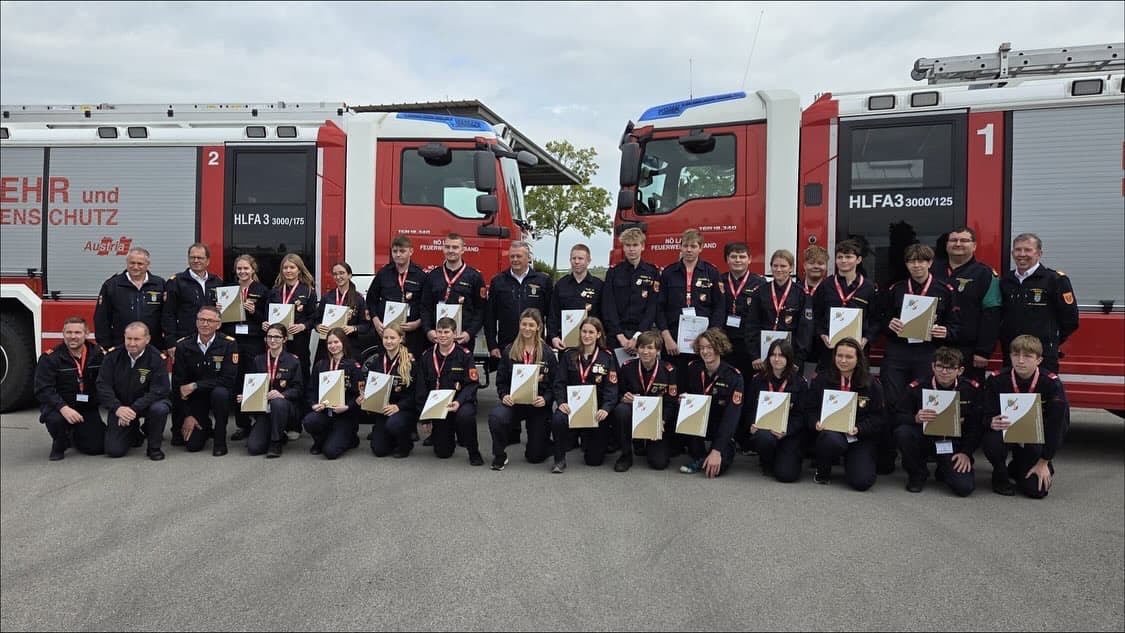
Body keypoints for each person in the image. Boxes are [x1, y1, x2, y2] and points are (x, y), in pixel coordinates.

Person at [877, 243, 959, 474]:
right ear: (907, 264)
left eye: (922, 261)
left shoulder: (945, 290)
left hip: (927, 352)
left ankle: (922, 455)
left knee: (925, 402)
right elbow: (880, 319)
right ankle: (889, 453)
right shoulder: (896, 289)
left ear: (930, 263)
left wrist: (946, 331)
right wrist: (888, 324)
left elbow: (956, 325)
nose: (917, 265)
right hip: (897, 353)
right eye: (912, 261)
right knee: (891, 401)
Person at [980, 335, 1070, 498]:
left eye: (1027, 356)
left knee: (1036, 491)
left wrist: (1044, 461)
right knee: (991, 441)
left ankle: (1019, 466)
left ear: (1039, 360)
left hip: (1035, 437)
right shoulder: (996, 380)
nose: (1020, 361)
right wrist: (990, 422)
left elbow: (1057, 426)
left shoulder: (1051, 383)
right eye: (1016, 355)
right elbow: (984, 413)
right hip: (1005, 433)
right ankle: (1000, 473)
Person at [485, 241, 553, 446]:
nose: (515, 260)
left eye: (519, 256)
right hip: (509, 344)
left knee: (538, 387)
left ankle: (537, 427)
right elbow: (490, 316)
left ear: (528, 257)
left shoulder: (542, 280)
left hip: (535, 346)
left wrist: (548, 344)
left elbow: (551, 314)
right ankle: (512, 430)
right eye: (512, 256)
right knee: (510, 385)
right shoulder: (498, 281)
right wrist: (492, 345)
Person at [894, 347, 984, 496]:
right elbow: (896, 416)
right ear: (933, 367)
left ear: (960, 370)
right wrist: (915, 418)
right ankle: (917, 473)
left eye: (950, 368)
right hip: (924, 438)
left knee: (964, 488)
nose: (944, 372)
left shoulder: (970, 389)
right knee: (903, 433)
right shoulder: (918, 387)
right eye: (940, 366)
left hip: (952, 442)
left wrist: (966, 452)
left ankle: (944, 468)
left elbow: (976, 426)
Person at [806, 338, 886, 490]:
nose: (843, 360)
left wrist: (859, 429)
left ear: (858, 359)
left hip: (858, 436)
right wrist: (815, 422)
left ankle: (854, 462)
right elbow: (809, 409)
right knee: (830, 439)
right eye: (839, 355)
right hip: (831, 434)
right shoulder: (821, 380)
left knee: (862, 483)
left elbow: (879, 418)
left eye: (849, 357)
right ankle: (823, 471)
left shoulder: (871, 384)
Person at [487, 308, 558, 470]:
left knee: (535, 457)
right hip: (515, 404)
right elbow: (501, 381)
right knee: (497, 416)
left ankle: (544, 442)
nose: (527, 328)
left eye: (531, 325)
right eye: (524, 324)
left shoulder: (547, 353)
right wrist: (504, 395)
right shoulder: (509, 351)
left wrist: (545, 399)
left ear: (538, 327)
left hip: (537, 405)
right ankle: (499, 455)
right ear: (519, 325)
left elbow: (556, 384)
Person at [999, 233, 1079, 374]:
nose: (1022, 254)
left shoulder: (1055, 280)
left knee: (1043, 394)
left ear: (1039, 253)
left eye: (1028, 250)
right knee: (1012, 395)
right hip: (1013, 354)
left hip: (1042, 356)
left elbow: (1070, 320)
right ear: (1012, 253)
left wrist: (1051, 342)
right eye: (1018, 250)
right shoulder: (1006, 280)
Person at [550, 317, 619, 473]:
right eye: (584, 332)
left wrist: (606, 409)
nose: (587, 335)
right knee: (558, 418)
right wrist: (561, 402)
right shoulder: (569, 355)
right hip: (571, 408)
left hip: (596, 412)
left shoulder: (607, 357)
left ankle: (590, 440)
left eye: (591, 332)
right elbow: (559, 383)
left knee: (593, 461)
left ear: (598, 334)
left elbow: (611, 387)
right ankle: (559, 460)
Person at [656, 229, 727, 380]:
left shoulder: (711, 272)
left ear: (701, 248)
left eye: (693, 246)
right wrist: (667, 337)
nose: (689, 250)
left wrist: (710, 339)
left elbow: (719, 307)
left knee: (698, 382)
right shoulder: (668, 273)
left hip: (703, 341)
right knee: (673, 383)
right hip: (673, 342)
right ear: (680, 247)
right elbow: (659, 307)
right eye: (685, 245)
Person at [933, 226, 1001, 381]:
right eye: (953, 240)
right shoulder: (932, 270)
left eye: (964, 240)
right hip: (933, 348)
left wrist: (983, 351)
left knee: (968, 397)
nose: (958, 244)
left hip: (968, 351)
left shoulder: (985, 274)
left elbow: (992, 315)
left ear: (974, 246)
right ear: (946, 245)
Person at [96, 322, 172, 461]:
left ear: (147, 339)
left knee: (160, 408)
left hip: (146, 405)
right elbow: (103, 386)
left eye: (136, 339)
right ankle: (134, 431)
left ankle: (154, 448)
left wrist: (134, 409)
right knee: (114, 450)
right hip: (121, 406)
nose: (131, 343)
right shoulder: (113, 356)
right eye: (128, 338)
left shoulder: (156, 358)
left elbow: (160, 389)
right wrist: (117, 408)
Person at [34, 317, 105, 461]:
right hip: (60, 406)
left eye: (78, 332)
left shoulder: (98, 355)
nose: (73, 336)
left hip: (87, 406)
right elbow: (43, 389)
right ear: (63, 333)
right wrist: (63, 407)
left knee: (97, 448)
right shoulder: (50, 358)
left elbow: (107, 382)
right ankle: (60, 442)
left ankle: (75, 434)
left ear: (86, 334)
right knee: (55, 419)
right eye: (69, 332)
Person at [170, 306, 238, 455]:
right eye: (201, 320)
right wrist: (188, 415)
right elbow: (178, 384)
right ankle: (204, 426)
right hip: (195, 399)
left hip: (216, 393)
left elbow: (228, 380)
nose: (205, 324)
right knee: (192, 446)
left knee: (221, 394)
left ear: (218, 324)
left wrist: (196, 385)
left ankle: (220, 440)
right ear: (196, 322)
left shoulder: (228, 344)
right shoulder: (183, 345)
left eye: (210, 320)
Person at [677, 328, 744, 478]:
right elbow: (681, 395)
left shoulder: (734, 377)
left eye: (710, 347)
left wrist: (717, 450)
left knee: (717, 469)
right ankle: (699, 455)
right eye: (702, 348)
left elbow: (731, 417)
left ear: (719, 347)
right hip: (697, 422)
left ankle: (723, 448)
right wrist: (682, 399)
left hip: (721, 425)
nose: (705, 352)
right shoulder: (693, 369)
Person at [609, 330, 678, 472]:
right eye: (642, 347)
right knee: (621, 410)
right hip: (634, 413)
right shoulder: (627, 367)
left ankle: (646, 444)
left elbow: (671, 402)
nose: (645, 352)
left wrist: (663, 420)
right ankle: (626, 454)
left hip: (657, 419)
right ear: (637, 349)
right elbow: (618, 393)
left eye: (650, 348)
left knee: (659, 463)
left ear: (658, 350)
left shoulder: (669, 370)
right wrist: (623, 397)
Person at [418, 316, 483, 466]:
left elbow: (472, 384)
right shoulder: (427, 356)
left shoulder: (465, 355)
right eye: (439, 331)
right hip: (439, 406)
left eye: (446, 332)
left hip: (459, 402)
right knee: (443, 453)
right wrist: (425, 417)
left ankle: (474, 451)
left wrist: (458, 402)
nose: (442, 335)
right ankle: (442, 434)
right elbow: (421, 388)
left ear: (454, 333)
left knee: (466, 416)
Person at [238, 324, 304, 458]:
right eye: (269, 337)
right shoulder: (258, 360)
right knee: (254, 448)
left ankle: (276, 442)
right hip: (264, 410)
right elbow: (253, 385)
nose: (272, 340)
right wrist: (246, 396)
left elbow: (298, 390)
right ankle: (277, 434)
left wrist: (282, 394)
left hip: (285, 408)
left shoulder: (293, 361)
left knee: (277, 402)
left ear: (285, 339)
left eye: (277, 337)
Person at [264, 253, 319, 414]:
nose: (288, 271)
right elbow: (267, 314)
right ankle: (278, 415)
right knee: (279, 377)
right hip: (277, 343)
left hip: (299, 342)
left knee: (299, 377)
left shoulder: (308, 291)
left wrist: (303, 326)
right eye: (285, 267)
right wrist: (265, 323)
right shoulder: (274, 291)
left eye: (292, 267)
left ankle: (298, 419)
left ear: (299, 269)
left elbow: (313, 317)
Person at [747, 339, 808, 483]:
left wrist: (787, 431)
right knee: (763, 438)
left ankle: (786, 459)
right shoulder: (758, 380)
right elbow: (748, 408)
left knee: (786, 476)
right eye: (773, 354)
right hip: (765, 431)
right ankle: (766, 461)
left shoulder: (800, 383)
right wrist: (751, 424)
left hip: (788, 434)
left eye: (781, 355)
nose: (776, 359)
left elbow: (801, 415)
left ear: (789, 358)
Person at [223, 254, 270, 442]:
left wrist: (254, 311)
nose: (243, 272)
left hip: (254, 340)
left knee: (253, 380)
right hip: (233, 340)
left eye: (246, 268)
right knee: (236, 380)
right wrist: (221, 309)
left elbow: (266, 319)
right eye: (239, 268)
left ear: (253, 270)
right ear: (235, 270)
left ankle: (258, 422)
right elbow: (221, 320)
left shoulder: (262, 290)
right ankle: (242, 425)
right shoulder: (228, 290)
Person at [812, 240, 879, 368]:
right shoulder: (825, 285)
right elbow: (816, 315)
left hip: (858, 350)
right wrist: (822, 334)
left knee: (857, 385)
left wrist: (866, 339)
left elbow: (875, 319)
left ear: (858, 260)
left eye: (848, 257)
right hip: (830, 349)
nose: (843, 261)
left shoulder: (869, 287)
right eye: (840, 257)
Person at [360, 323, 421, 459]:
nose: (388, 341)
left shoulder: (410, 362)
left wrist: (398, 406)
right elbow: (371, 386)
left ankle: (405, 445)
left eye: (392, 338)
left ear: (401, 338)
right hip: (383, 409)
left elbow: (417, 393)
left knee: (395, 424)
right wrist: (365, 396)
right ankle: (390, 437)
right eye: (386, 338)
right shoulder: (377, 361)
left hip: (404, 409)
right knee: (379, 450)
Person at [301, 328, 363, 459]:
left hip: (344, 414)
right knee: (309, 421)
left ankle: (350, 438)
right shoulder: (320, 365)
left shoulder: (353, 366)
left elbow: (360, 395)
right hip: (325, 411)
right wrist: (313, 405)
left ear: (344, 343)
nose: (333, 346)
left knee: (330, 452)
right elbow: (311, 390)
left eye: (336, 342)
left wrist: (347, 407)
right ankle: (320, 441)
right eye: (330, 343)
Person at [421, 233, 487, 350]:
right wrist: (428, 331)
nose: (451, 250)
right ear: (443, 248)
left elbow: (481, 310)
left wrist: (469, 333)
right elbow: (425, 307)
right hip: (436, 339)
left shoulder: (475, 277)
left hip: (462, 339)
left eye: (455, 247)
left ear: (463, 249)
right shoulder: (433, 276)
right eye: (447, 247)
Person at [601, 227, 660, 356]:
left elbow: (652, 306)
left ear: (642, 246)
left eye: (635, 245)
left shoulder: (652, 272)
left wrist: (637, 336)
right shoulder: (613, 272)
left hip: (642, 336)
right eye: (628, 245)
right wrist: (620, 336)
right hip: (616, 336)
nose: (631, 249)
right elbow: (608, 305)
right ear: (623, 247)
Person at [93, 247, 165, 351]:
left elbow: (167, 316)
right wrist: (106, 345)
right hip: (120, 347)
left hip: (153, 347)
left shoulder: (159, 284)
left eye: (140, 264)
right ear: (127, 262)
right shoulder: (112, 285)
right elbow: (101, 318)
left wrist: (165, 344)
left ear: (147, 265)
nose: (135, 267)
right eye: (132, 263)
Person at [367, 234, 427, 358]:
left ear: (411, 251)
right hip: (387, 334)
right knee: (386, 366)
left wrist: (418, 323)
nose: (398, 254)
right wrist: (375, 320)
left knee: (410, 368)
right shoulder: (383, 273)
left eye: (402, 251)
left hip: (411, 334)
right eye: (395, 251)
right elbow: (371, 299)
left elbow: (427, 305)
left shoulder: (421, 276)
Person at [162, 243, 223, 360]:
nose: (196, 260)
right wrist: (170, 343)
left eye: (200, 258)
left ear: (208, 261)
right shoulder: (176, 282)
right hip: (185, 340)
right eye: (192, 257)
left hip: (212, 341)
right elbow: (168, 314)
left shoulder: (217, 282)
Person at [721, 241, 767, 380]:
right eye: (733, 256)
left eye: (742, 256)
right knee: (727, 378)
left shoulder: (760, 283)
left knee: (748, 379)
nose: (738, 260)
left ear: (750, 259)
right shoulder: (719, 280)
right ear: (727, 259)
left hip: (748, 342)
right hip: (725, 340)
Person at [547, 243, 604, 352]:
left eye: (580, 258)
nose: (576, 261)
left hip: (592, 344)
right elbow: (553, 314)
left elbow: (604, 315)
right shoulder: (561, 285)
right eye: (574, 258)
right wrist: (553, 337)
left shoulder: (599, 285)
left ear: (588, 261)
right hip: (566, 344)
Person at [314, 262, 372, 361]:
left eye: (341, 273)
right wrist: (318, 327)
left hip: (350, 346)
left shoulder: (358, 298)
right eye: (335, 274)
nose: (338, 277)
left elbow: (366, 325)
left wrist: (353, 328)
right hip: (328, 347)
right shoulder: (327, 297)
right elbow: (316, 320)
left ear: (349, 275)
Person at [799, 245, 829, 375]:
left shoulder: (831, 290)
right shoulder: (795, 289)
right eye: (811, 263)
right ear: (804, 265)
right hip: (799, 350)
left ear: (826, 266)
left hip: (823, 349)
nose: (816, 266)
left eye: (820, 263)